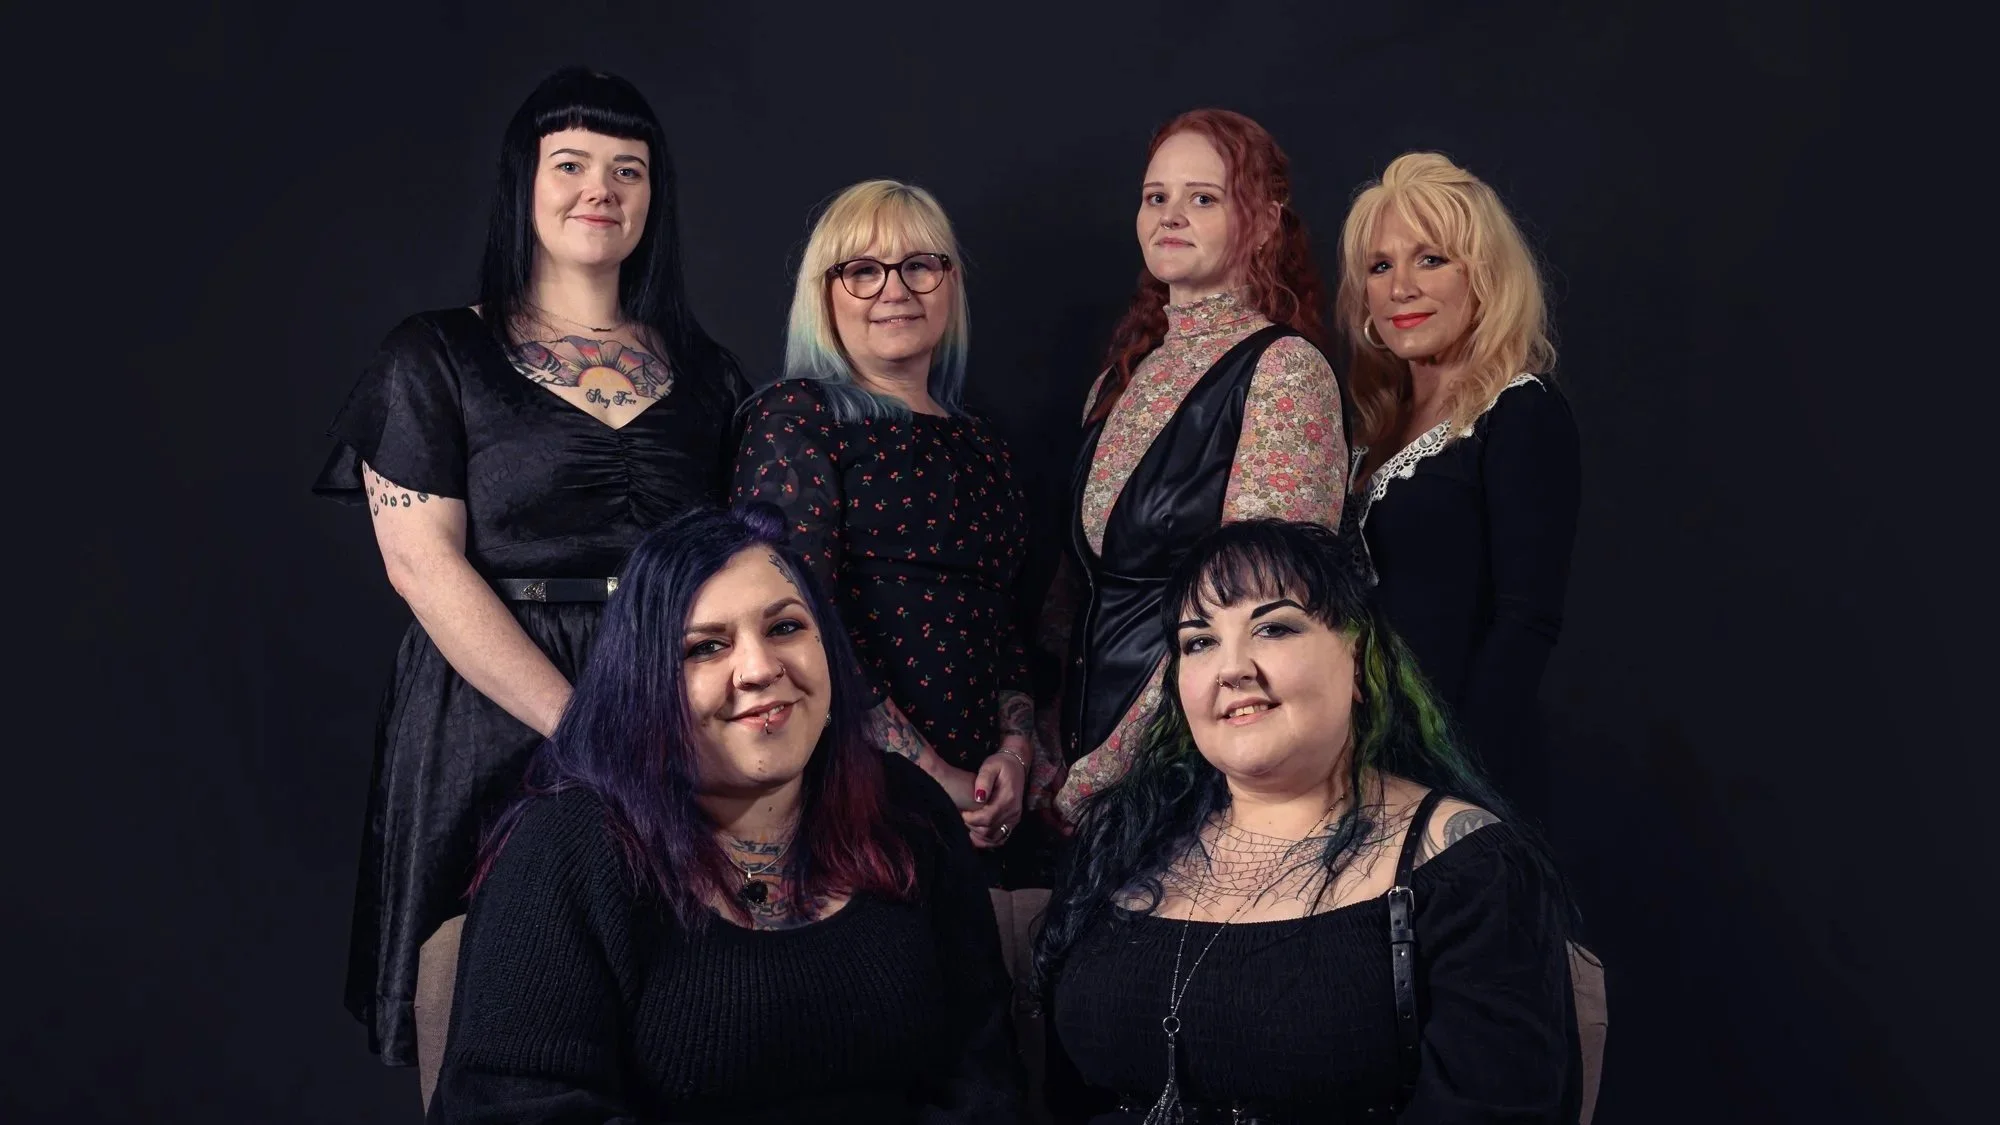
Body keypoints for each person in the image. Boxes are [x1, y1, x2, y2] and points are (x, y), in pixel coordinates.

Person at [311, 66, 747, 1066]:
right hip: (487, 709)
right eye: (571, 164)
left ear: (654, 195)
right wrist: (588, 726)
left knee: (679, 1002)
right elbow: (422, 567)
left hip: (670, 698)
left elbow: (739, 566)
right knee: (485, 1006)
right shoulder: (432, 354)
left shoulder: (710, 372)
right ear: (524, 182)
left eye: (628, 169)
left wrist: (667, 726)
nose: (601, 189)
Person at [429, 504, 1022, 1124]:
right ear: (644, 683)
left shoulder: (908, 808)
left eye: (786, 627)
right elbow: (515, 1107)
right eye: (707, 647)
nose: (762, 669)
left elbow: (983, 1074)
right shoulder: (565, 850)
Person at [1033, 518, 1580, 1123]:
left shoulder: (1468, 863)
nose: (1231, 669)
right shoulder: (1126, 844)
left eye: (1273, 628)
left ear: (1360, 660)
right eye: (1199, 642)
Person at [1039, 109, 1348, 826]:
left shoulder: (1284, 371)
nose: (1170, 215)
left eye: (1203, 197)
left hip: (1194, 763)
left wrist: (1109, 769)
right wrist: (1043, 752)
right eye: (1156, 196)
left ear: (1264, 222)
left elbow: (1258, 618)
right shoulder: (1120, 378)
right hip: (1077, 764)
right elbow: (1070, 597)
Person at [732, 180, 1035, 873]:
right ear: (825, 294)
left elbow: (1007, 624)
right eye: (863, 271)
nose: (894, 290)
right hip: (853, 782)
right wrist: (929, 773)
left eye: (918, 265)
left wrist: (1014, 755)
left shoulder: (984, 444)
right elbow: (795, 615)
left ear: (949, 283)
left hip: (985, 798)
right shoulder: (798, 416)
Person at [1337, 151, 1581, 818]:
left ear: (1485, 275)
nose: (1401, 287)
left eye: (1431, 259)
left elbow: (1526, 621)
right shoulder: (1366, 431)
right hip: (1353, 770)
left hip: (1454, 777)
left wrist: (1451, 782)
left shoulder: (1520, 412)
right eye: (1380, 266)